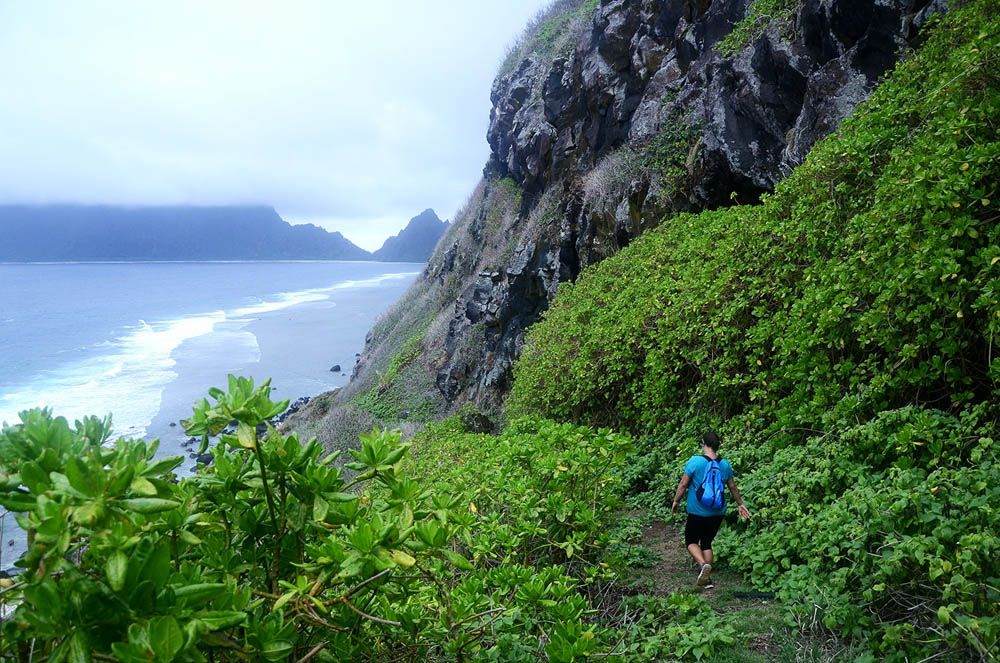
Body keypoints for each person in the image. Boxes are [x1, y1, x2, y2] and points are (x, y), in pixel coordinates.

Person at [670, 431, 751, 587]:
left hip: (697, 512)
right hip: (717, 512)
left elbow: (683, 484)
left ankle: (702, 565)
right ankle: (707, 580)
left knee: (691, 541)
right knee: (706, 543)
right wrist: (740, 503)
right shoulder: (724, 464)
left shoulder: (695, 461)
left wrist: (676, 501)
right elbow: (732, 487)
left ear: (703, 443)